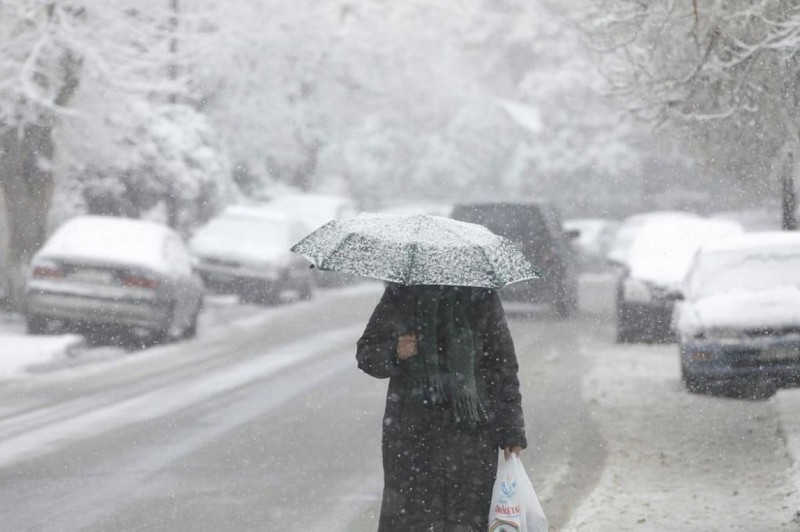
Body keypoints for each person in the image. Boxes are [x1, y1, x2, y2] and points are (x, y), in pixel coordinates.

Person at [356, 283, 527, 531]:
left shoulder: (481, 295)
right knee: (413, 521)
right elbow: (367, 352)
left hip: (472, 438)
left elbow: (503, 367)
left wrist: (512, 430)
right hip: (412, 438)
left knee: (465, 520)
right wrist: (394, 351)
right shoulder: (402, 294)